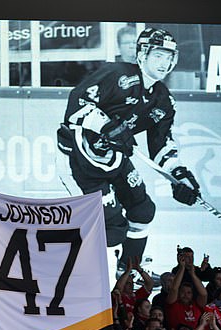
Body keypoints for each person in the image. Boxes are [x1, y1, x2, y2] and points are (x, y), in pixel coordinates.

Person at [58, 28, 200, 272]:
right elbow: (77, 103)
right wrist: (108, 127)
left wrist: (178, 174)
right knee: (113, 231)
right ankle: (57, 260)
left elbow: (161, 145)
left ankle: (129, 272)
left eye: (169, 57)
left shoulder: (163, 101)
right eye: (158, 56)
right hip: (80, 158)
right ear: (142, 55)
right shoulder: (117, 74)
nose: (164, 63)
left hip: (116, 157)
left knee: (143, 210)